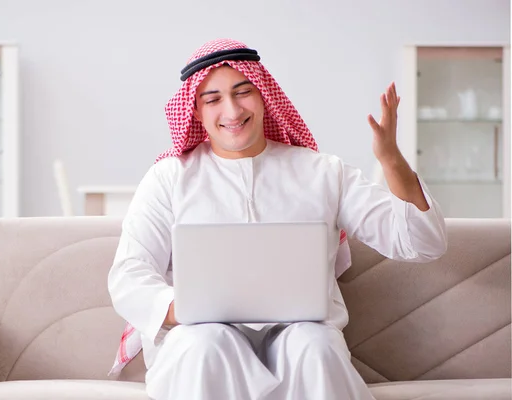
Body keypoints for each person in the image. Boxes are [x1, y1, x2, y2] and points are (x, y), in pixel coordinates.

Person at [107, 38, 447, 400]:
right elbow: (130, 274)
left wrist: (391, 160)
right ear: (195, 111)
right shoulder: (169, 178)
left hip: (301, 337)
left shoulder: (321, 172)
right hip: (199, 339)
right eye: (214, 99)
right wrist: (186, 309)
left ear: (264, 95)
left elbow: (424, 244)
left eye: (243, 93)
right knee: (206, 342)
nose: (232, 111)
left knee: (314, 345)